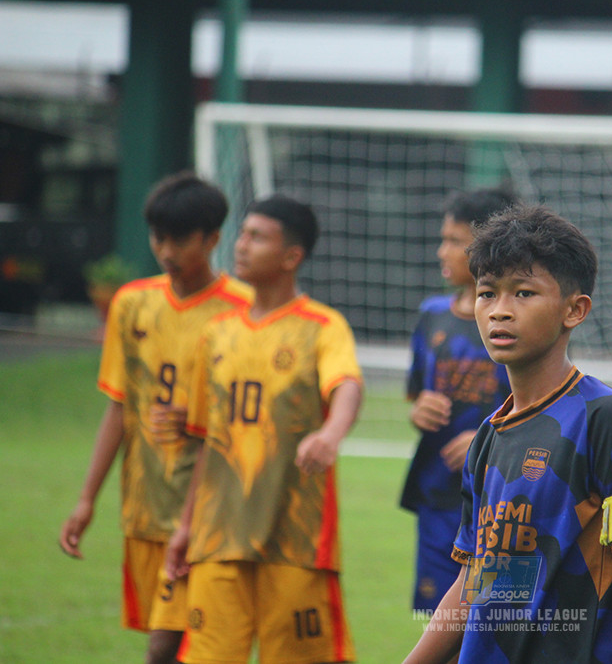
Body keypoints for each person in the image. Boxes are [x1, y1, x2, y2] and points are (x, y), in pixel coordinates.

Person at [403, 204, 612, 664]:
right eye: (487, 294)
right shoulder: (488, 436)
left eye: (523, 293)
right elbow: (473, 579)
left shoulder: (606, 417)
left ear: (574, 310)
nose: (500, 311)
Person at [59, 171, 251, 664]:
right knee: (176, 641)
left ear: (211, 239)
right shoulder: (131, 304)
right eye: (157, 237)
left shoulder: (243, 311)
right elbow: (119, 407)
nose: (165, 249)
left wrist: (205, 417)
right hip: (146, 507)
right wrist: (86, 500)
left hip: (215, 511)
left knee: (171, 645)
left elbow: (256, 417)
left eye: (179, 238)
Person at [165, 194, 363, 664]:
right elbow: (208, 443)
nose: (242, 244)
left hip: (294, 539)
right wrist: (186, 526)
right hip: (218, 538)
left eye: (258, 236)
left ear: (291, 256)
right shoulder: (216, 333)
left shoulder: (322, 326)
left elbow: (348, 385)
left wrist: (330, 434)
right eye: (244, 232)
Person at [401, 188, 515, 612]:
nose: (441, 251)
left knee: (492, 626)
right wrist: (419, 409)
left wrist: (486, 439)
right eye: (443, 239)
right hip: (438, 494)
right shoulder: (432, 314)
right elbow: (416, 391)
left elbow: (545, 404)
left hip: (501, 501)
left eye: (454, 241)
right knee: (439, 625)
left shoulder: (516, 322)